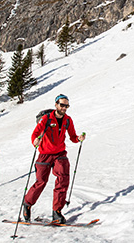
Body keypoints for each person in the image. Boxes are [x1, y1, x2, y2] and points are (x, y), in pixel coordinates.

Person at [23, 94, 85, 224]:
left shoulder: (68, 120)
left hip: (60, 153)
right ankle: (27, 204)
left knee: (63, 179)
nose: (64, 108)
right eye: (62, 105)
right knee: (41, 182)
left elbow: (72, 136)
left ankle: (57, 212)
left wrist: (78, 138)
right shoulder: (46, 119)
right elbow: (35, 134)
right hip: (44, 154)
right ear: (56, 104)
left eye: (66, 106)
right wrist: (35, 141)